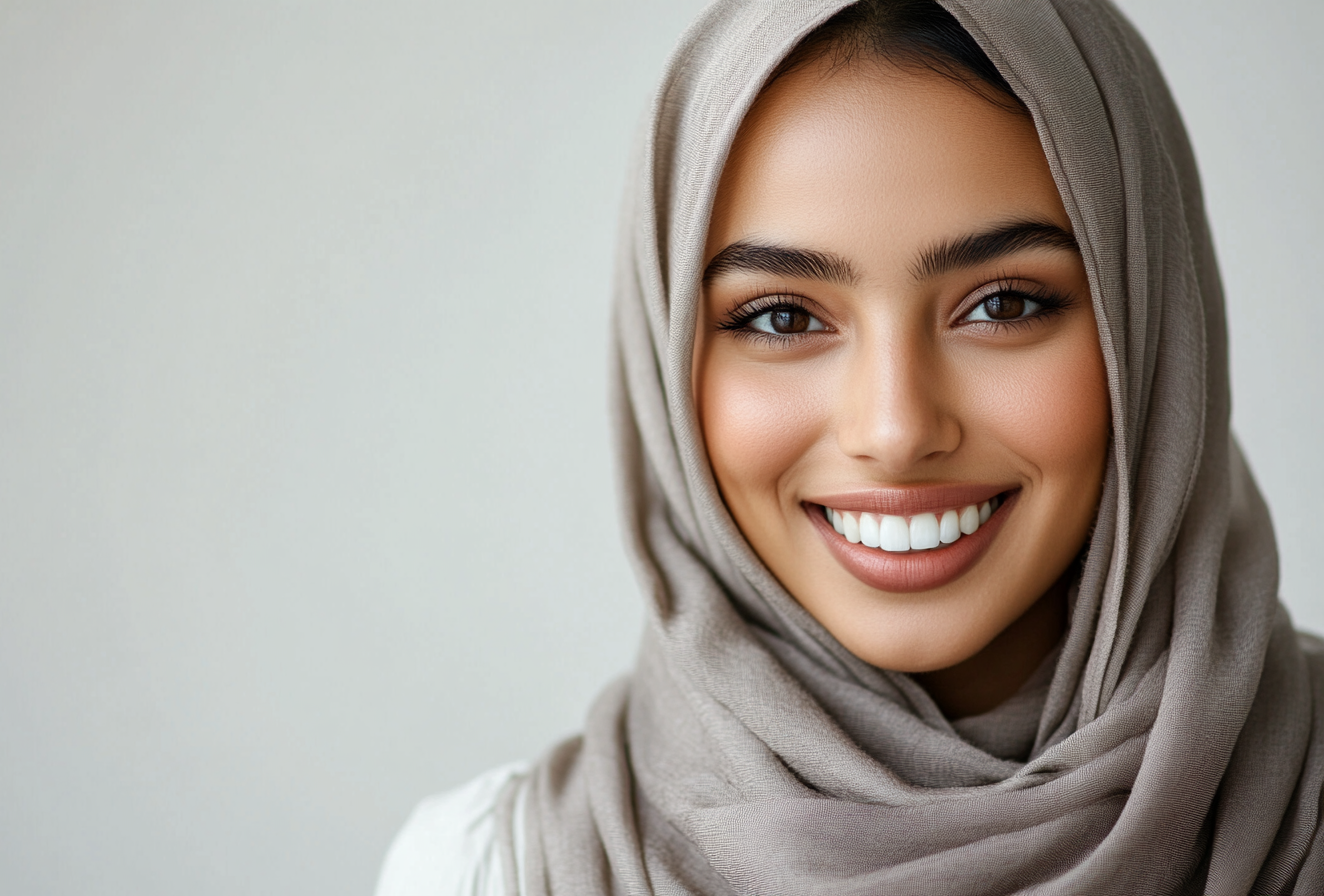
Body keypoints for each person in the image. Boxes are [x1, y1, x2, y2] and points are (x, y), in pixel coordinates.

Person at [378, 0, 1324, 893]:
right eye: (782, 316)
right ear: (669, 365)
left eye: (1003, 305)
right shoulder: (486, 872)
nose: (896, 429)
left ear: (1151, 324)